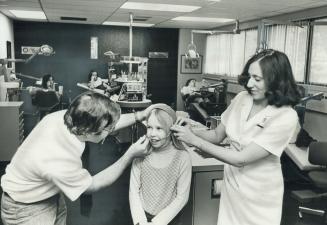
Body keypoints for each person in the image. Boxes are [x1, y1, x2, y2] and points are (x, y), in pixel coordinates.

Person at [171, 49, 301, 225]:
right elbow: (217, 135)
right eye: (249, 77)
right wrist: (190, 131)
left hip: (260, 194)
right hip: (233, 185)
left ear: (276, 80)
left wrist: (194, 140)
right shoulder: (242, 98)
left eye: (257, 79)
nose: (249, 84)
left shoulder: (286, 116)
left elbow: (241, 159)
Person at [0, 91, 161, 225]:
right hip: (25, 209)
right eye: (107, 129)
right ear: (89, 132)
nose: (111, 130)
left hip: (46, 193)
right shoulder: (58, 158)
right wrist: (130, 155)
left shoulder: (70, 117)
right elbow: (91, 186)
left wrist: (140, 115)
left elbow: (106, 123)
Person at [129, 104, 192, 225]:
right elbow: (134, 191)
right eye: (149, 127)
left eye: (159, 128)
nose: (152, 133)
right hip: (141, 217)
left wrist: (156, 223)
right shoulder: (141, 153)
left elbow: (182, 197)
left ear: (171, 130)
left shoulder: (182, 157)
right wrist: (140, 221)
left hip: (169, 218)